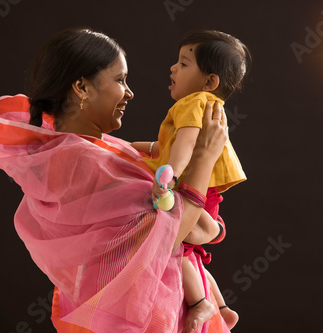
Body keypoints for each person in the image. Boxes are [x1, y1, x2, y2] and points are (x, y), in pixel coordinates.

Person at [0, 28, 231, 333]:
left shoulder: (90, 149)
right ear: (82, 88)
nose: (129, 92)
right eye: (120, 80)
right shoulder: (80, 161)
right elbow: (178, 232)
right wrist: (204, 157)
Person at [131, 30, 250, 332]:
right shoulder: (206, 105)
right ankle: (221, 306)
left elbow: (183, 145)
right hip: (206, 190)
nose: (173, 68)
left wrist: (168, 175)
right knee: (192, 252)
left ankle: (200, 304)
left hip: (193, 187)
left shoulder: (194, 102)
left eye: (184, 64)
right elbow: (171, 144)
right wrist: (139, 148)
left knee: (177, 248)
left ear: (210, 81)